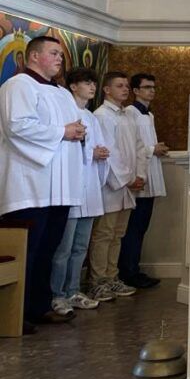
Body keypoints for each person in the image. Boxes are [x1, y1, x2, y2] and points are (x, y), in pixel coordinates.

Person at [0, 36, 84, 331]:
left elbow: (71, 128)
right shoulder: (19, 85)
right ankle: (13, 313)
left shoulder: (61, 92)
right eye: (53, 53)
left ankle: (39, 306)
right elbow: (17, 126)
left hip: (58, 187)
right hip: (31, 185)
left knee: (49, 249)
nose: (60, 58)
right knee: (29, 251)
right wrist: (63, 131)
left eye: (61, 53)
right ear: (34, 56)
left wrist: (76, 131)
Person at [50, 68, 107, 314]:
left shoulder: (91, 117)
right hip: (70, 185)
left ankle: (73, 289)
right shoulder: (65, 111)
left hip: (90, 186)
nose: (92, 87)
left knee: (81, 246)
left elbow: (97, 145)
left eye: (94, 83)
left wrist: (100, 153)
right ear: (73, 86)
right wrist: (90, 152)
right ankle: (57, 294)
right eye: (87, 82)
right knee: (64, 247)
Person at [88, 71, 143, 302]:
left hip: (128, 184)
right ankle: (98, 280)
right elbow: (108, 151)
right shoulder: (102, 115)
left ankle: (112, 276)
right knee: (104, 233)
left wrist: (139, 174)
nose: (125, 89)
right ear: (107, 90)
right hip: (111, 184)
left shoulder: (129, 116)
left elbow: (138, 147)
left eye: (126, 86)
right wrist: (125, 178)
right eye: (119, 86)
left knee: (118, 234)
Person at [120, 73, 169, 289]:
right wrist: (152, 149)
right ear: (136, 90)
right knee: (132, 228)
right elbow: (130, 145)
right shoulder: (130, 113)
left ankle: (134, 268)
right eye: (147, 87)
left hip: (150, 171)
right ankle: (127, 271)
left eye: (153, 87)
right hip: (138, 175)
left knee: (141, 229)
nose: (152, 91)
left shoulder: (148, 115)